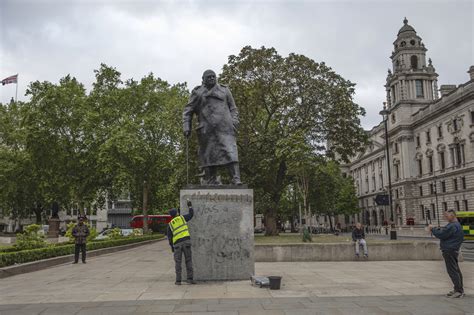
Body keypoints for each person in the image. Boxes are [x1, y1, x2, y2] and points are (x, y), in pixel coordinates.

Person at [182, 69, 242, 185]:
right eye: (208, 77)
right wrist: (186, 126)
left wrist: (234, 122)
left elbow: (233, 108)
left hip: (225, 129)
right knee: (209, 156)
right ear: (203, 80)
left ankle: (236, 178)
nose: (211, 79)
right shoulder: (198, 93)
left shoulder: (225, 91)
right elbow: (188, 111)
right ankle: (211, 180)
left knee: (231, 152)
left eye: (213, 76)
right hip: (206, 130)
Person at [429, 210, 465, 298]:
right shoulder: (456, 225)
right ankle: (459, 289)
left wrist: (432, 229)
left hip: (449, 250)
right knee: (456, 270)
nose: (445, 217)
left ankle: (458, 291)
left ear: (452, 215)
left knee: (452, 270)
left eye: (447, 216)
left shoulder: (452, 226)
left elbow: (442, 234)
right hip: (453, 249)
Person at [167, 200, 195, 285]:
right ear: (176, 213)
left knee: (178, 262)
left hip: (177, 245)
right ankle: (190, 279)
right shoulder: (182, 218)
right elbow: (191, 215)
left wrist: (172, 247)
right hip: (186, 242)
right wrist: (190, 206)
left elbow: (170, 238)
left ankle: (178, 281)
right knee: (188, 260)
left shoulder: (170, 224)